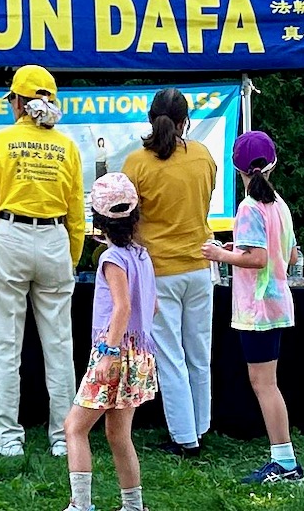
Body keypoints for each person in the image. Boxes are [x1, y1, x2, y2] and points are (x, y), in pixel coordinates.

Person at [0, 65, 85, 458]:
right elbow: (76, 213)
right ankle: (63, 437)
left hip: (9, 236)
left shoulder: (1, 142)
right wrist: (69, 256)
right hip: (54, 239)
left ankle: (9, 440)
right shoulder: (67, 146)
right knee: (59, 345)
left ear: (18, 102)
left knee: (5, 345)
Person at [201, 131, 304, 484]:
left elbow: (257, 259)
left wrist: (221, 254)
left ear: (236, 167)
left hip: (257, 309)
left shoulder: (248, 207)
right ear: (273, 163)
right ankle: (284, 458)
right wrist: (238, 249)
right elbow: (288, 255)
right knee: (268, 383)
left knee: (264, 385)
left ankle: (285, 462)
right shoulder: (280, 204)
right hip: (277, 304)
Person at [122, 88, 216, 457]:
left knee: (170, 356)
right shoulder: (203, 156)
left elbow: (127, 216)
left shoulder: (136, 163)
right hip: (199, 263)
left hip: (158, 270)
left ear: (150, 118)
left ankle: (184, 437)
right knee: (199, 351)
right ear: (184, 121)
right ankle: (201, 426)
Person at [62, 172, 157, 511]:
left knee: (73, 428)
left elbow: (122, 307)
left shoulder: (111, 258)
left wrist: (108, 353)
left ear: (98, 219)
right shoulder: (142, 256)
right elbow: (150, 306)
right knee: (118, 434)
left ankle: (81, 505)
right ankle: (133, 506)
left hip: (113, 353)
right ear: (135, 213)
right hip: (139, 352)